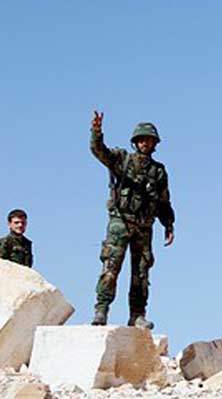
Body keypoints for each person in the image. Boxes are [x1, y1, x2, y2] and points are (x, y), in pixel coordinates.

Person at [90, 111, 175, 329]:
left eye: (149, 140)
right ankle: (101, 310)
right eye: (142, 139)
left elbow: (164, 200)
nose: (145, 143)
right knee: (111, 267)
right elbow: (99, 151)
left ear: (155, 143)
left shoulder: (158, 171)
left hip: (144, 226)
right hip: (121, 221)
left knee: (141, 273)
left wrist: (168, 224)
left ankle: (137, 315)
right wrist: (96, 132)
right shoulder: (122, 160)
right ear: (136, 142)